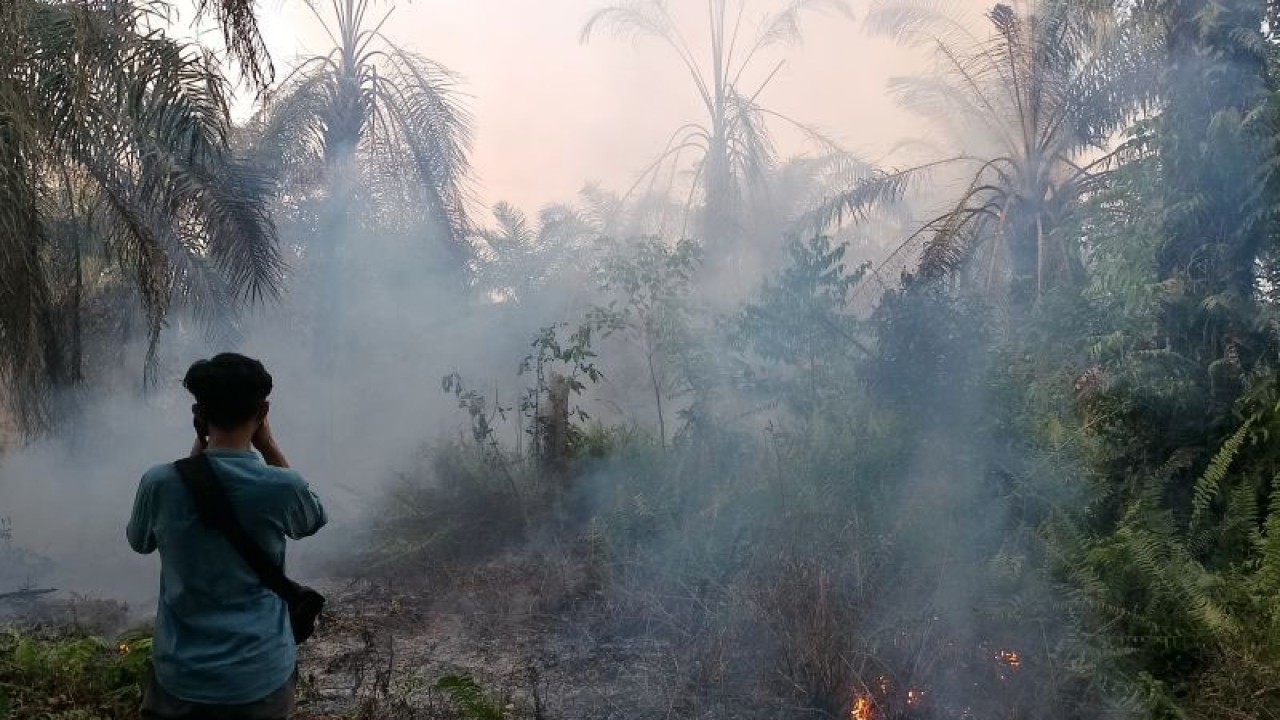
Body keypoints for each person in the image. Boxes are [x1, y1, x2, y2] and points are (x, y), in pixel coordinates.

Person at [127, 353, 327, 719]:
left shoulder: (158, 483)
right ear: (263, 411)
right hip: (259, 677)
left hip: (180, 678)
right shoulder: (282, 486)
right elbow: (311, 520)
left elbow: (139, 542)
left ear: (199, 414)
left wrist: (197, 458)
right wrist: (267, 446)